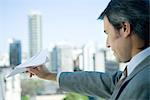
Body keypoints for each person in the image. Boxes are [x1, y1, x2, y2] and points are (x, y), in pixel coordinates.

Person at [27, 0, 150, 99]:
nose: (107, 44)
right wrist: (48, 75)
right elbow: (99, 82)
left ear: (124, 28)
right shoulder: (136, 72)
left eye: (107, 33)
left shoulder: (144, 83)